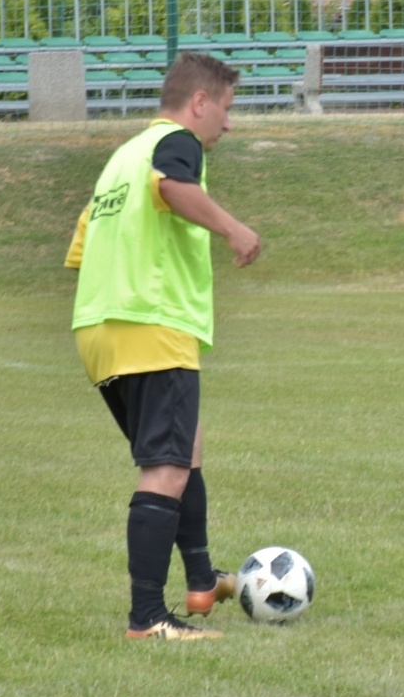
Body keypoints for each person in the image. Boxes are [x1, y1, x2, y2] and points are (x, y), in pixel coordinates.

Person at [65, 53, 261, 639]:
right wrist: (234, 228)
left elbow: (82, 246)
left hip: (101, 328)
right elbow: (173, 187)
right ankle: (148, 617)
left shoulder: (120, 159)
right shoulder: (178, 144)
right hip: (150, 323)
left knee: (185, 449)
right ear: (199, 102)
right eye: (226, 109)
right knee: (166, 468)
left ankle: (202, 580)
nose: (228, 123)